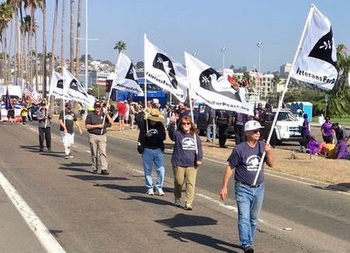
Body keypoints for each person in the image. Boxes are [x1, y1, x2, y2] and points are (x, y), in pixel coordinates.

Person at [220, 120, 274, 253]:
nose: (258, 133)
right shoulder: (240, 149)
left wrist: (268, 152)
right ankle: (247, 244)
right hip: (243, 188)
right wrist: (224, 187)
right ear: (247, 133)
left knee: (254, 219)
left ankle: (248, 240)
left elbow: (272, 164)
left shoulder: (262, 146)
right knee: (244, 217)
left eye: (259, 131)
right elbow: (230, 168)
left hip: (259, 187)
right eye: (255, 131)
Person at [168, 115, 203, 210]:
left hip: (192, 163)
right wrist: (171, 123)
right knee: (179, 182)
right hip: (179, 162)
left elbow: (199, 148)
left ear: (191, 124)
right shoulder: (178, 134)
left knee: (190, 183)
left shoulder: (195, 136)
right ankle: (177, 198)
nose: (186, 125)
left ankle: (188, 203)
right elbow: (171, 135)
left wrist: (199, 158)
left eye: (188, 123)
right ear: (181, 124)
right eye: (184, 123)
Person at [135, 108, 166, 195]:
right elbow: (136, 118)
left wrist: (154, 135)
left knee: (161, 170)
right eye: (152, 119)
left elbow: (163, 137)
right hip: (147, 149)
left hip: (158, 149)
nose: (154, 121)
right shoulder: (144, 123)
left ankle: (159, 186)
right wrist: (143, 111)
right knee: (147, 170)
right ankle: (149, 187)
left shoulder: (160, 125)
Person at [85, 101, 113, 175]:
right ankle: (95, 167)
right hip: (93, 135)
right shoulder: (90, 115)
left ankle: (104, 168)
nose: (98, 108)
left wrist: (107, 115)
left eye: (99, 107)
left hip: (102, 136)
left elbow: (111, 123)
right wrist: (98, 126)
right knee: (94, 153)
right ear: (94, 107)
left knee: (103, 152)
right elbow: (87, 126)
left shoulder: (103, 115)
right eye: (96, 107)